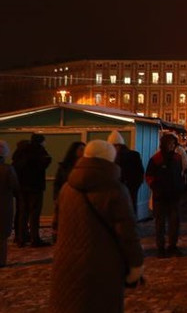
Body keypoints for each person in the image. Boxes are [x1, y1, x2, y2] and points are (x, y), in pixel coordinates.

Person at [49, 140, 143, 313]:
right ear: (110, 159)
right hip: (103, 266)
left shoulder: (67, 187)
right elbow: (128, 232)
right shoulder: (115, 189)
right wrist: (136, 265)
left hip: (67, 264)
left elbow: (57, 225)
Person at [145, 133, 185, 257]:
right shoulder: (156, 159)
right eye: (169, 144)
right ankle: (160, 248)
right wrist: (156, 188)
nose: (172, 146)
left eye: (173, 144)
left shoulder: (177, 158)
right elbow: (149, 176)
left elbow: (180, 174)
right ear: (164, 144)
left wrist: (180, 186)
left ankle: (173, 246)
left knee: (174, 223)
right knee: (160, 224)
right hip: (160, 197)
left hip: (174, 196)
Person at [14, 133, 52, 247]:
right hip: (35, 186)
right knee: (34, 213)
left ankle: (21, 239)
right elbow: (42, 164)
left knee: (22, 213)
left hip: (22, 186)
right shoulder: (39, 151)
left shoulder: (21, 151)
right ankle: (35, 239)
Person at [108, 132, 145, 215]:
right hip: (129, 188)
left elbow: (139, 173)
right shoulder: (134, 155)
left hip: (126, 187)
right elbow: (140, 173)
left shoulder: (113, 157)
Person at [0, 140, 19, 267]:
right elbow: (15, 186)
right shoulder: (7, 169)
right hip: (3, 206)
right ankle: (1, 261)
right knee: (2, 236)